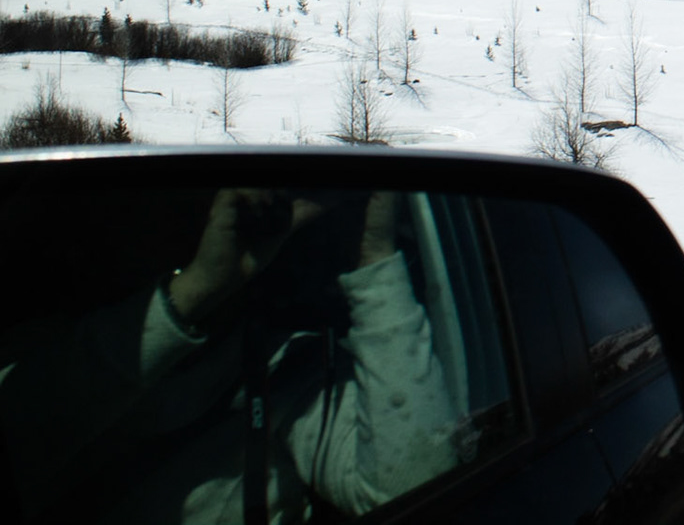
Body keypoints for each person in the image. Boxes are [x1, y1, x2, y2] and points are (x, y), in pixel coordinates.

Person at [0, 188, 462, 523]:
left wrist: (374, 255)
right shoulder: (39, 351)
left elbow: (413, 492)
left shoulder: (295, 370)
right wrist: (197, 287)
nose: (202, 234)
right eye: (174, 212)